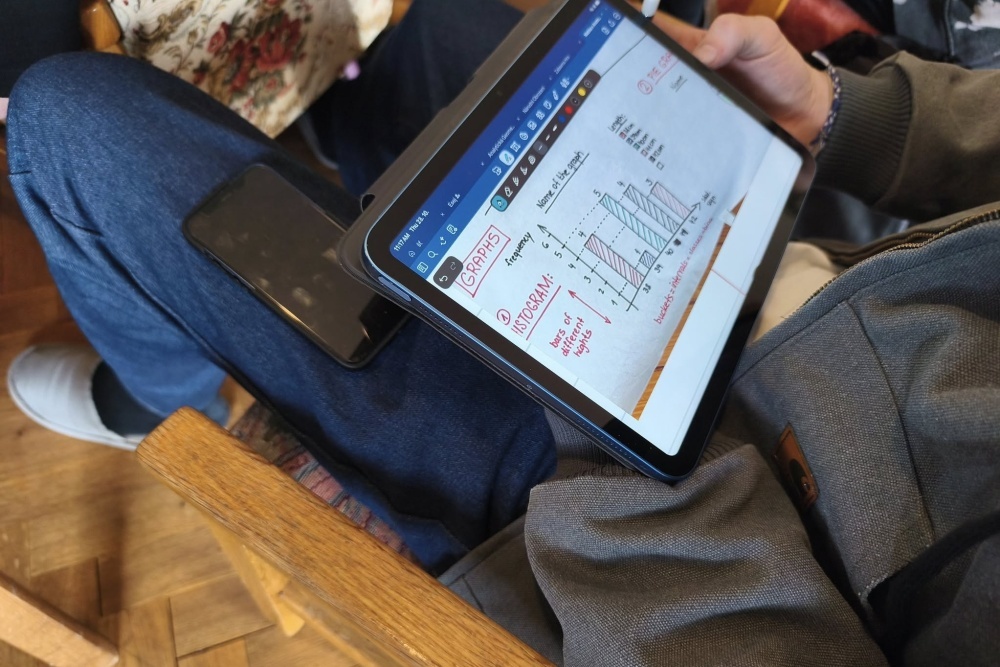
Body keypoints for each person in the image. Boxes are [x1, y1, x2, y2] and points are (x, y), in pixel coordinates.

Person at [5, 0, 999, 663]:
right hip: (797, 254)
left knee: (66, 120)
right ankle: (337, 198)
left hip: (643, 512)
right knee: (414, 42)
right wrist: (844, 114)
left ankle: (154, 396)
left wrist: (623, 401)